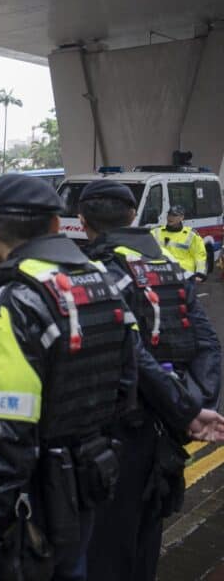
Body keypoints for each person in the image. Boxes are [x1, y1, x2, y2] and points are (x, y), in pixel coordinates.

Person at [0, 174, 138, 581]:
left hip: (29, 503)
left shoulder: (11, 304)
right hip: (89, 477)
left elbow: (7, 436)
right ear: (57, 226)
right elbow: (127, 382)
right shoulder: (103, 282)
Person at [77, 179, 224, 581]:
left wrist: (185, 409)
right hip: (163, 435)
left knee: (106, 548)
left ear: (82, 221)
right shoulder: (169, 269)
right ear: (133, 217)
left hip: (115, 431)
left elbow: (129, 351)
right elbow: (208, 344)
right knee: (145, 542)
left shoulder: (95, 273)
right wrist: (191, 408)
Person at [151, 205, 208, 281]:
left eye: (174, 215)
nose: (170, 217)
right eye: (169, 214)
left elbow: (200, 256)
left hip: (185, 277)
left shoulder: (191, 234)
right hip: (162, 276)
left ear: (181, 217)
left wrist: (200, 274)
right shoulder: (156, 231)